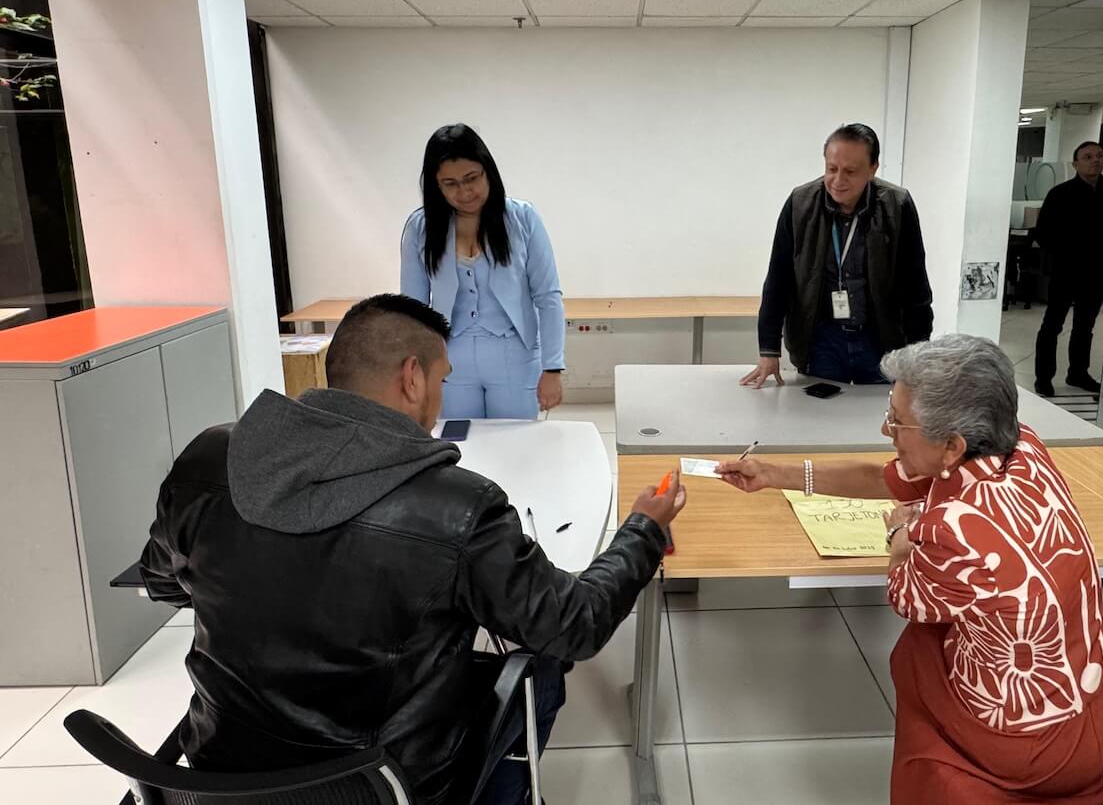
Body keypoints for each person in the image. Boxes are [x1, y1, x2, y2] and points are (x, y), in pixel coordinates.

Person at [140, 294, 686, 805]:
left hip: (220, 778)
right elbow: (576, 623)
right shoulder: (459, 507)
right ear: (412, 377)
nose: (441, 397)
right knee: (542, 663)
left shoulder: (210, 461)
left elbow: (162, 581)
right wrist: (644, 529)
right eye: (442, 379)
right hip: (383, 786)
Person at [718, 334, 1103, 803]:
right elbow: (883, 478)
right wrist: (773, 475)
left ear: (950, 446)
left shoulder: (953, 533)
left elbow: (905, 595)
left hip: (1041, 745)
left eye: (896, 421)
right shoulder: (1024, 446)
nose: (886, 430)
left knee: (917, 650)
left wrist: (898, 537)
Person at [741, 122, 933, 389]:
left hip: (880, 339)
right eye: (832, 169)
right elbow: (778, 278)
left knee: (878, 412)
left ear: (873, 168)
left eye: (850, 171)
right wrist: (768, 350)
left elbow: (915, 286)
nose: (838, 180)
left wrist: (917, 355)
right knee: (820, 412)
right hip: (822, 340)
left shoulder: (897, 205)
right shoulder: (800, 204)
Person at [401, 123, 564, 419]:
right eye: (450, 183)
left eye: (471, 178)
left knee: (515, 439)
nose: (464, 192)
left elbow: (548, 296)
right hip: (450, 359)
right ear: (436, 186)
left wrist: (552, 367)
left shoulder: (522, 218)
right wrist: (417, 369)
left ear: (488, 171)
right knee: (459, 440)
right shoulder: (420, 228)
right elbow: (413, 309)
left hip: (516, 354)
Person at [1032, 140, 1103, 397]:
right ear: (1075, 163)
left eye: (1099, 156)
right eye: (1088, 157)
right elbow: (1043, 232)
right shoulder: (1060, 194)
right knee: (1052, 324)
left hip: (1096, 271)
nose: (1095, 160)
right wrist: (1060, 257)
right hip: (1065, 269)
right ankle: (1043, 377)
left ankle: (1078, 373)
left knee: (1085, 326)